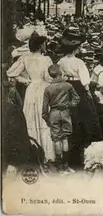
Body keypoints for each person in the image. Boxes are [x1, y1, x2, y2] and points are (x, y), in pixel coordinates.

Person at [6, 35, 56, 165]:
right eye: (44, 44)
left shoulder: (25, 58)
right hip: (43, 89)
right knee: (44, 120)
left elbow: (11, 72)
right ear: (40, 45)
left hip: (31, 89)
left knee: (31, 119)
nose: (45, 46)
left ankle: (32, 153)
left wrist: (26, 81)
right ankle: (47, 156)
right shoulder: (46, 59)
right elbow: (48, 77)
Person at [57, 33, 103, 169]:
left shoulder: (60, 62)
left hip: (66, 88)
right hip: (78, 89)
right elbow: (85, 81)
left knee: (70, 119)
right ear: (75, 49)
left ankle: (71, 157)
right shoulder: (79, 62)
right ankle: (88, 154)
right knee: (86, 119)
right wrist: (88, 93)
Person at [42, 64, 80, 173]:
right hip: (65, 113)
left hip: (53, 113)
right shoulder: (68, 86)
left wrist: (46, 118)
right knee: (65, 139)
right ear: (60, 73)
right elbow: (77, 99)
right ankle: (66, 166)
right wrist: (69, 105)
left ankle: (59, 167)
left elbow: (44, 108)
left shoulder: (48, 89)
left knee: (57, 140)